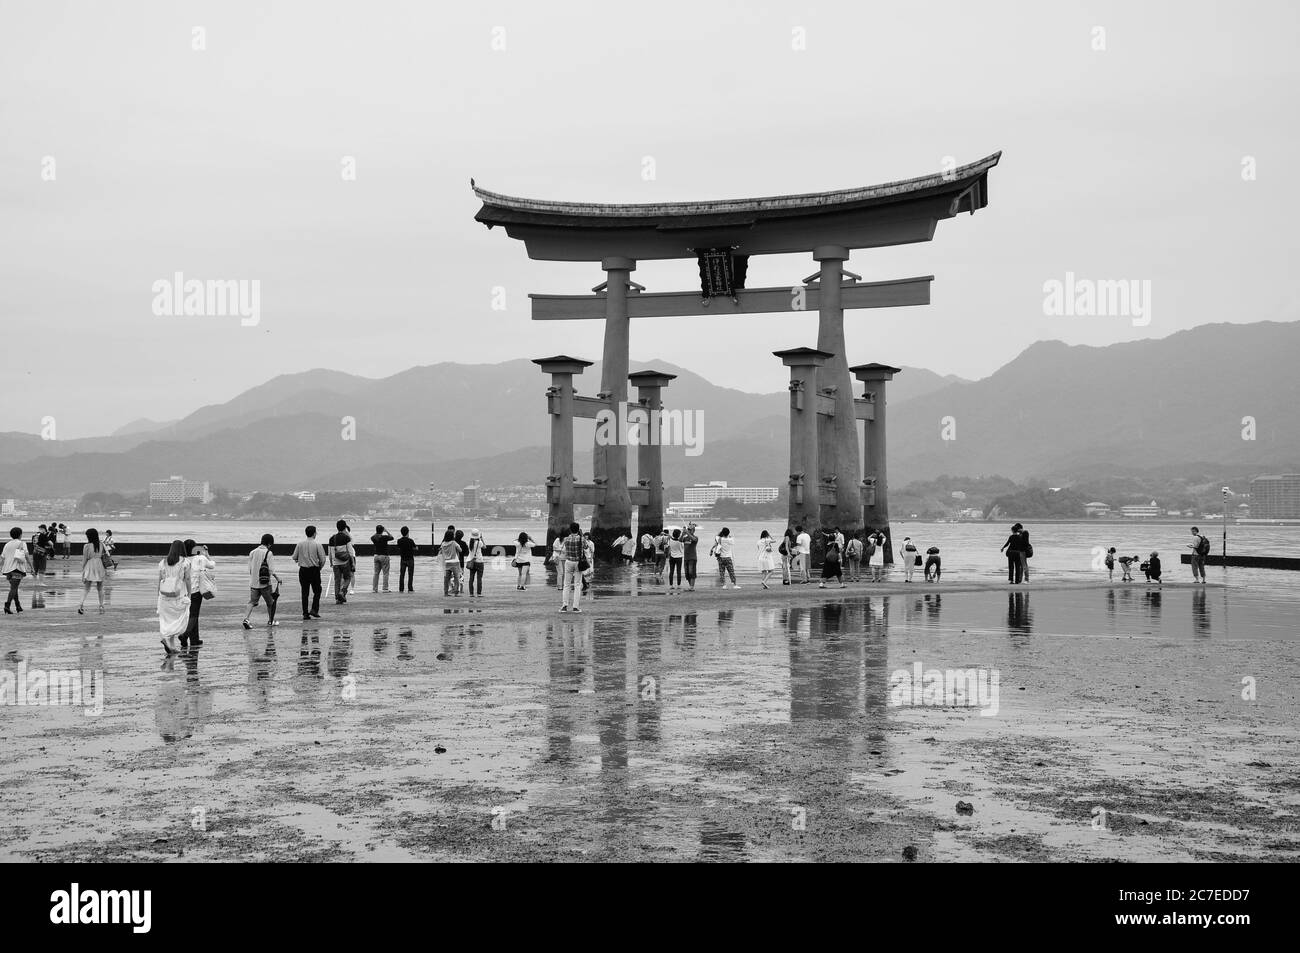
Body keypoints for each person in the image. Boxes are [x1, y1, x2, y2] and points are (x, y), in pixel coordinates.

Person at [157, 539, 192, 655]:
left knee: (167, 620)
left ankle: (171, 645)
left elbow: (160, 580)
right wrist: (189, 593)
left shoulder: (162, 562)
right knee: (180, 619)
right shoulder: (185, 562)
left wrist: (158, 595)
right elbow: (187, 579)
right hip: (178, 595)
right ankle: (167, 639)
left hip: (164, 596)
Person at [242, 534, 281, 630]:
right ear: (269, 543)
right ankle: (270, 621)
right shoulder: (269, 553)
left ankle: (246, 619)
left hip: (254, 583)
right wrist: (278, 578)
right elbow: (271, 570)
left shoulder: (252, 552)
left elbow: (250, 569)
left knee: (252, 602)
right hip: (265, 583)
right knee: (270, 603)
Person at [183, 539, 216, 646]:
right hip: (196, 591)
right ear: (194, 548)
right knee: (194, 615)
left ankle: (195, 639)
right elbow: (212, 565)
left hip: (184, 591)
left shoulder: (183, 560)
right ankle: (185, 635)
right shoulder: (200, 558)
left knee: (190, 614)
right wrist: (206, 553)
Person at [292, 525, 328, 620]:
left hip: (303, 570)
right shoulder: (317, 545)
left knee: (305, 592)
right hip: (314, 570)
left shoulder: (300, 544)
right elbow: (323, 559)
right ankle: (314, 609)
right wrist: (319, 567)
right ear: (314, 533)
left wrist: (300, 559)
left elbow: (294, 557)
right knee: (317, 590)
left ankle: (305, 613)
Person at [76, 528, 108, 615]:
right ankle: (101, 606)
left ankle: (81, 605)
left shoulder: (86, 546)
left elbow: (85, 559)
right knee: (100, 588)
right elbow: (105, 555)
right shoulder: (101, 544)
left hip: (90, 565)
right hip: (99, 565)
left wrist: (83, 571)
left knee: (86, 588)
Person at [3, 527, 33, 613]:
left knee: (14, 588)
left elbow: (3, 557)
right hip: (17, 568)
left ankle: (18, 605)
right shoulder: (22, 543)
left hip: (8, 569)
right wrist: (32, 567)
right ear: (20, 534)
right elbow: (26, 556)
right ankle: (7, 606)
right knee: (13, 588)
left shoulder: (7, 544)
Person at [559, 522, 584, 612]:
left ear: (570, 529)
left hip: (568, 561)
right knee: (577, 585)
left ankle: (564, 606)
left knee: (566, 585)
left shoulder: (566, 539)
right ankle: (575, 607)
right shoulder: (581, 539)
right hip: (578, 562)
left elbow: (564, 548)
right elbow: (585, 547)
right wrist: (581, 535)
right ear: (578, 529)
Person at [328, 520, 354, 604]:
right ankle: (342, 592)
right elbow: (350, 552)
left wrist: (331, 562)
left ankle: (337, 599)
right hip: (345, 562)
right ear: (345, 527)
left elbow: (330, 553)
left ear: (337, 527)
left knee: (337, 580)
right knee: (348, 578)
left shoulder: (332, 538)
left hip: (335, 563)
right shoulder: (346, 538)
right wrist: (352, 563)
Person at [371, 524, 394, 593]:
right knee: (385, 573)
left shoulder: (374, 538)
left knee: (376, 573)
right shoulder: (384, 537)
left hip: (376, 556)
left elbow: (372, 537)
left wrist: (377, 532)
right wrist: (386, 531)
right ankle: (385, 588)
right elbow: (392, 537)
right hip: (384, 556)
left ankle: (374, 589)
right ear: (382, 530)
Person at [439, 530, 463, 596]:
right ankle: (456, 593)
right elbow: (460, 550)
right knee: (456, 578)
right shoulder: (453, 542)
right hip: (455, 562)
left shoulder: (443, 543)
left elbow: (441, 552)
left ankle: (446, 593)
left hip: (447, 562)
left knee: (446, 579)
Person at [466, 529, 487, 597]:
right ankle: (479, 593)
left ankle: (471, 593)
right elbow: (485, 547)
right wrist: (481, 538)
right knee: (479, 578)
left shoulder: (469, 542)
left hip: (472, 561)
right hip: (479, 561)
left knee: (471, 578)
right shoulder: (479, 543)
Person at [396, 526, 417, 592]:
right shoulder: (410, 540)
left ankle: (401, 588)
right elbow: (415, 548)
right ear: (408, 532)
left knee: (402, 574)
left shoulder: (399, 540)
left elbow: (399, 547)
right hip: (410, 559)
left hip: (403, 559)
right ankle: (410, 588)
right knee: (410, 574)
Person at [682, 522, 699, 591]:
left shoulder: (695, 537)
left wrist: (687, 533)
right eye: (688, 529)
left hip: (692, 558)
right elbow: (680, 540)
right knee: (687, 574)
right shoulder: (685, 538)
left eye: (690, 530)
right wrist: (683, 533)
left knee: (691, 572)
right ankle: (690, 586)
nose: (688, 530)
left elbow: (694, 539)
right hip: (686, 558)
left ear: (693, 530)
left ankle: (691, 587)